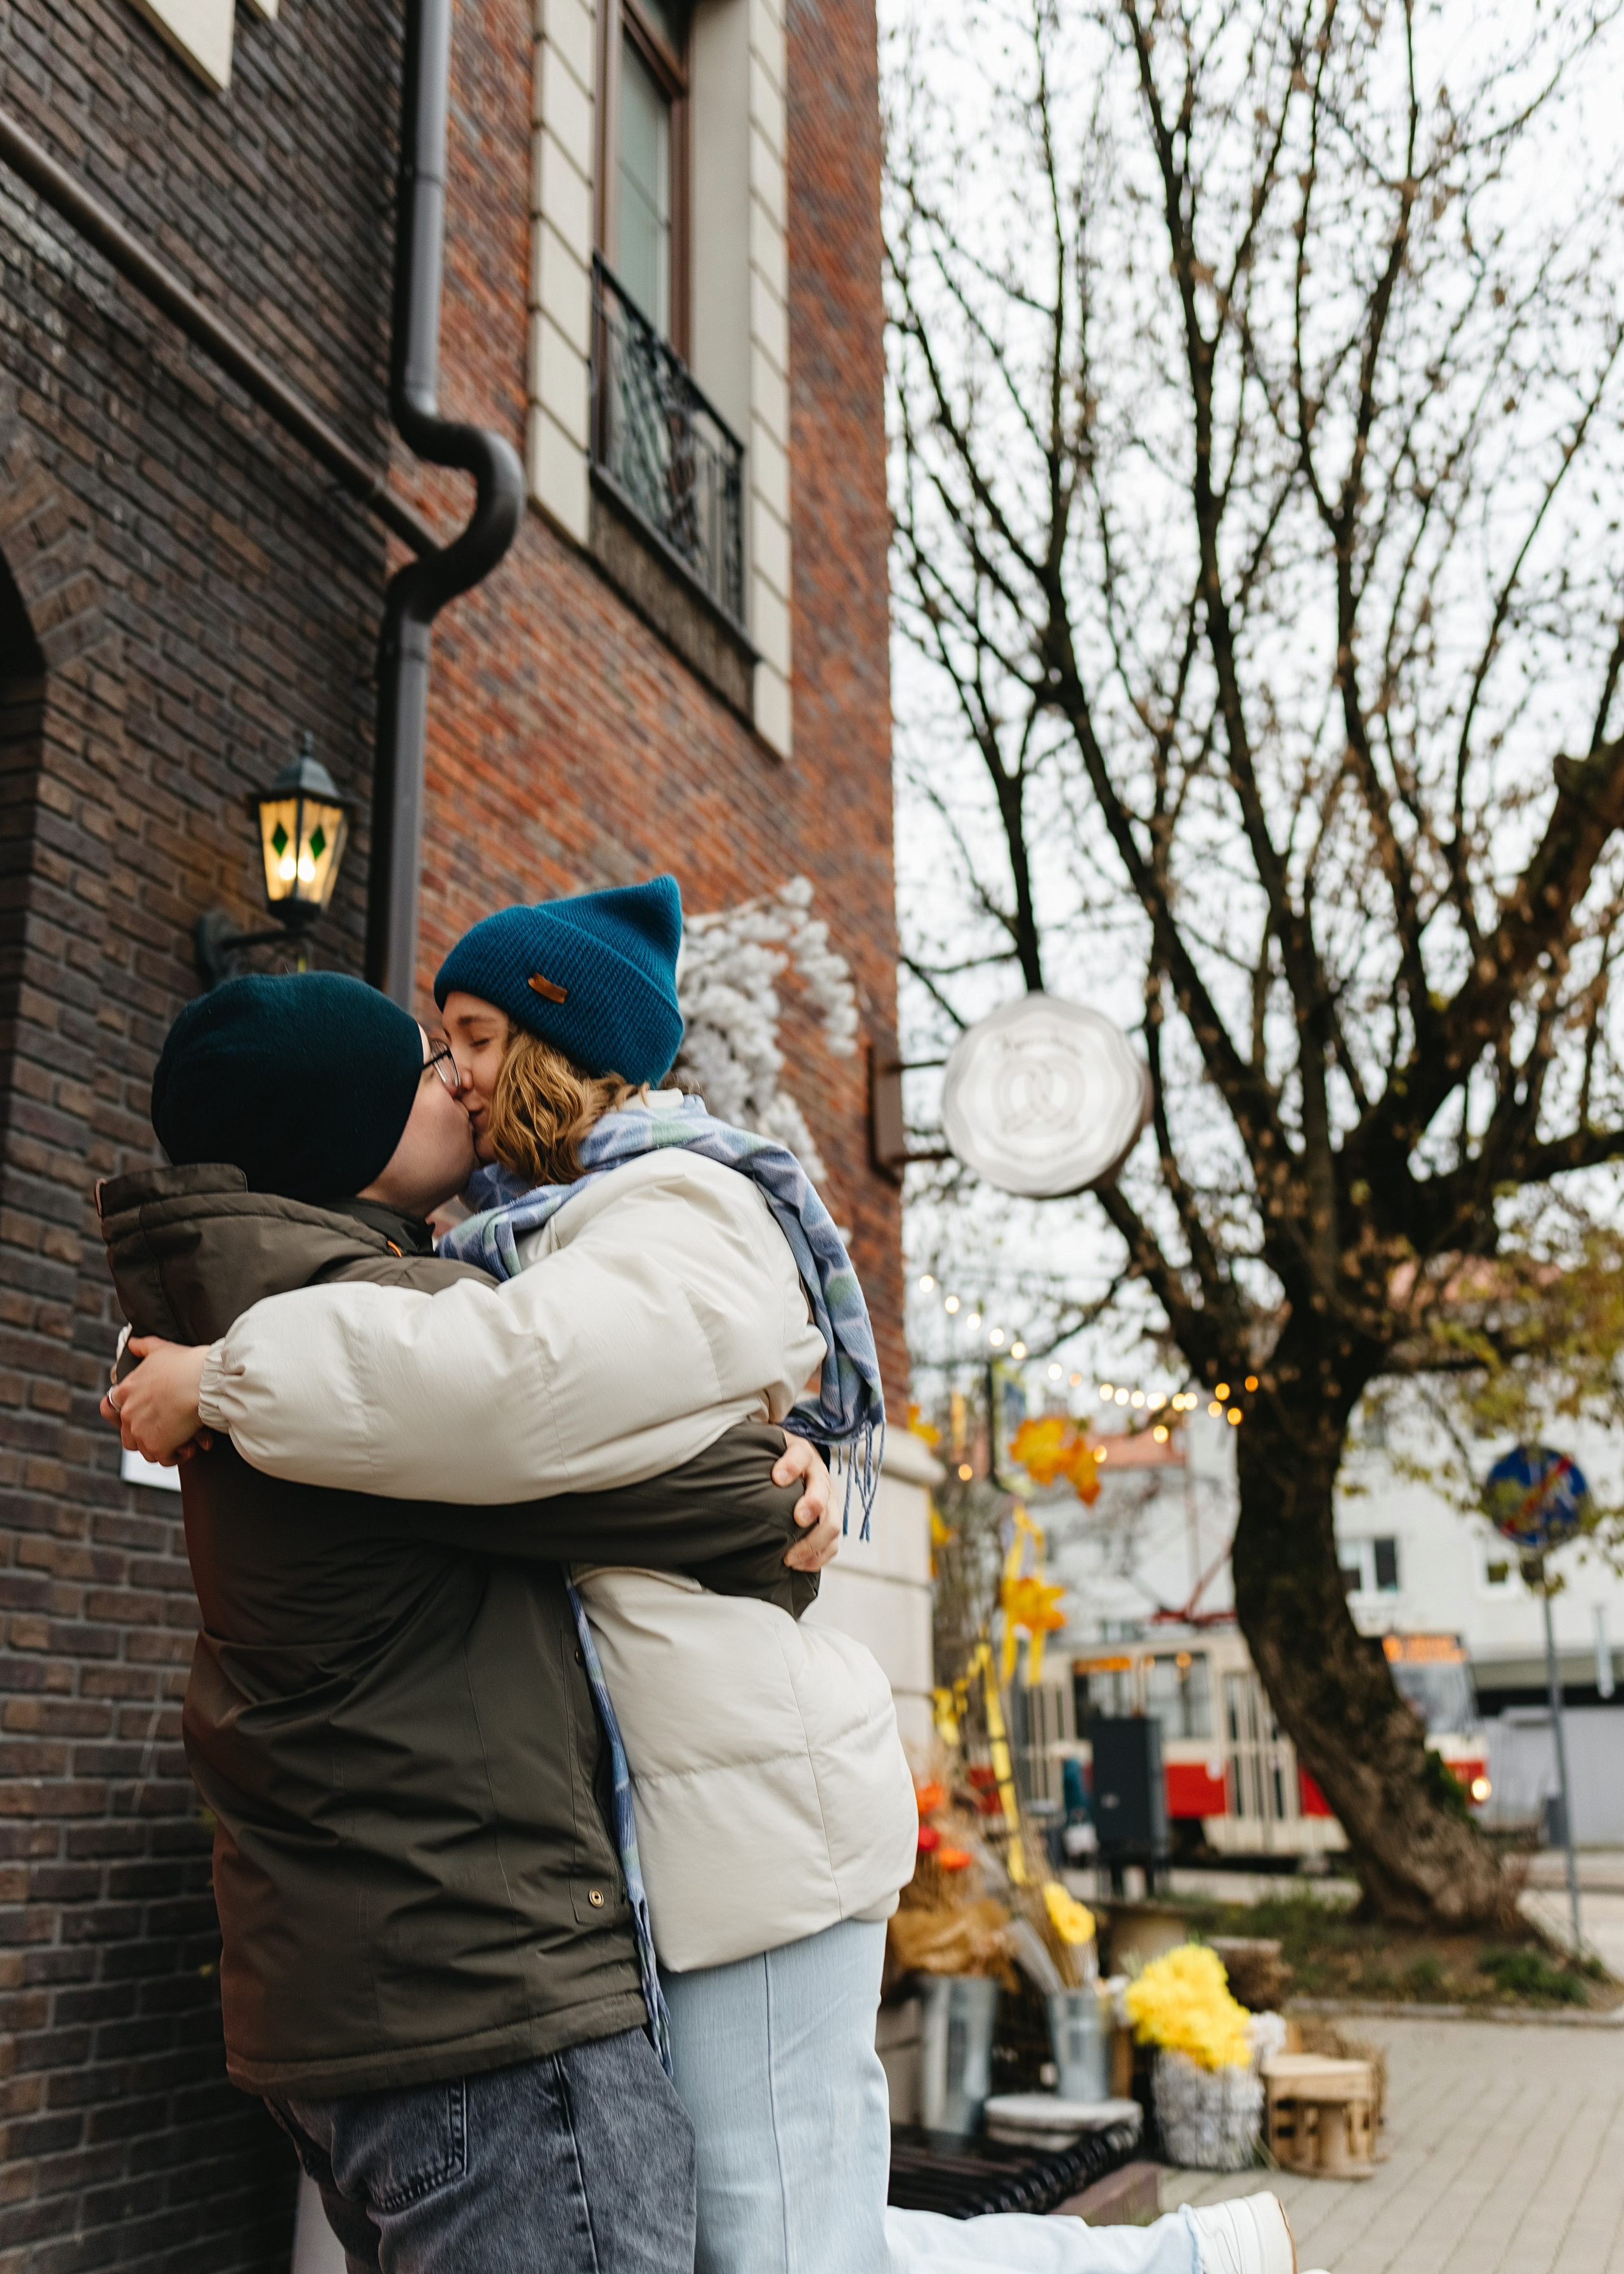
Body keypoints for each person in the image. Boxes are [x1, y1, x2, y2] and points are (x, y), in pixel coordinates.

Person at [112, 884, 1326, 2274]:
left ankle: (1183, 2261)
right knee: (759, 2251)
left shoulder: (676, 1199)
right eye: (433, 1048)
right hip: (672, 1828)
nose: (450, 1072)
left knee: (781, 2259)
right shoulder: (521, 1236)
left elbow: (521, 1397)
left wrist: (229, 1379)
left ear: (561, 1053)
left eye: (470, 1038)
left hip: (746, 1807)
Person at [100, 966, 842, 2274]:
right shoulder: (383, 1338)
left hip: (364, 2002)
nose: (457, 1078)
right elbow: (731, 1507)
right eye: (422, 1068)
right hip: (487, 2009)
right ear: (342, 1133)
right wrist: (791, 1467)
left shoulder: (243, 1318)